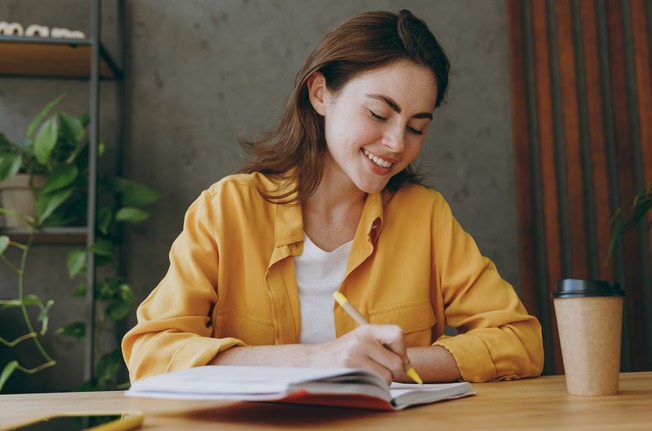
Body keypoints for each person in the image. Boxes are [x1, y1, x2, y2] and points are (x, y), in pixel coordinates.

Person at [121, 9, 543, 385]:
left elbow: (520, 341)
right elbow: (152, 352)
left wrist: (386, 363)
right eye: (379, 114)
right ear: (321, 94)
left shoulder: (425, 216)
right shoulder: (227, 209)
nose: (397, 143)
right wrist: (318, 359)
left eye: (417, 127)